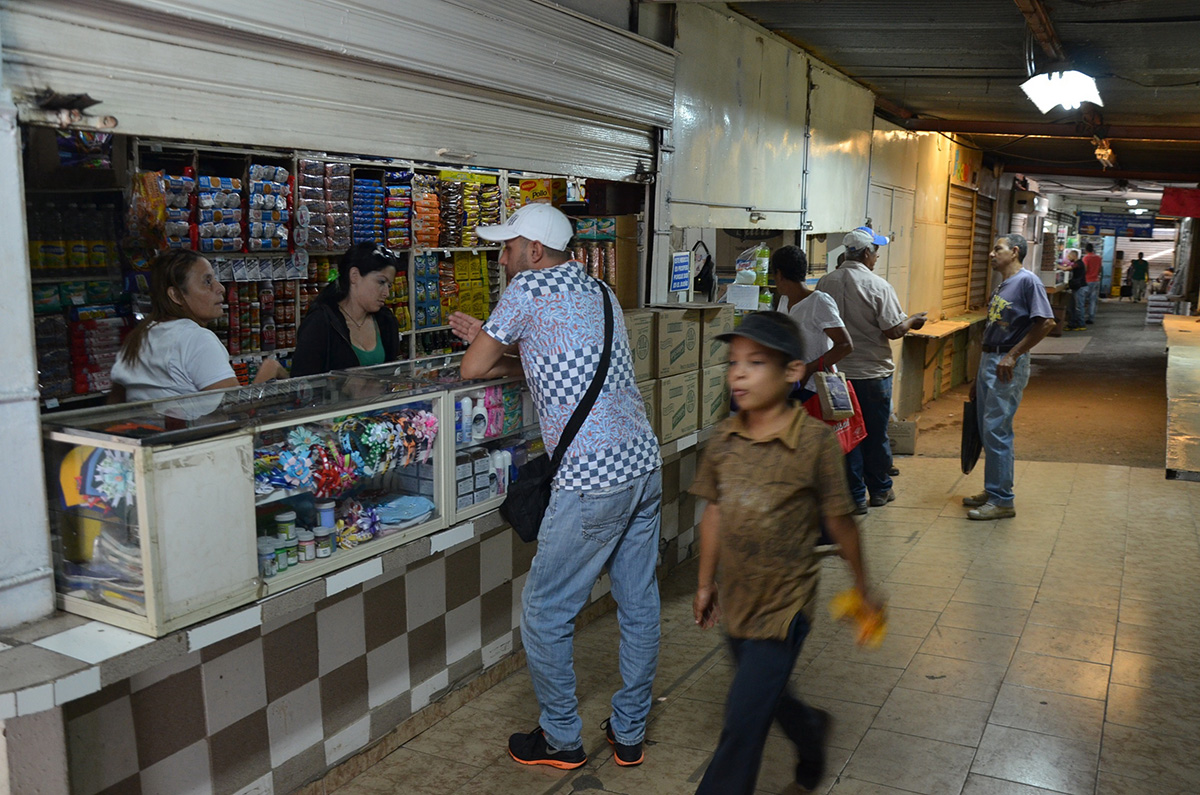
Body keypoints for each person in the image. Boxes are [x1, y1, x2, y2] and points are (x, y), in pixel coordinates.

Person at [448, 203, 662, 770]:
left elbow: (471, 369)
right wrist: (507, 354)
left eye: (508, 246)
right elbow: (564, 360)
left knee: (545, 612)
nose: (502, 256)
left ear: (534, 252)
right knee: (638, 603)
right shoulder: (601, 293)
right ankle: (630, 731)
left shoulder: (525, 290)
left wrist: (490, 344)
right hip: (643, 463)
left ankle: (562, 738)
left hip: (591, 478)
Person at [690, 311, 874, 795]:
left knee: (742, 723)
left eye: (756, 362)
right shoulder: (725, 439)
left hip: (786, 606)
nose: (739, 373)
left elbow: (840, 521)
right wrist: (706, 583)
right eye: (733, 363)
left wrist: (864, 588)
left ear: (793, 372)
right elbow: (714, 513)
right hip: (738, 599)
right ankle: (809, 729)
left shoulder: (814, 442)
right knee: (766, 697)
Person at [816, 227, 927, 514]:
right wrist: (913, 320)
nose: (877, 257)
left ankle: (853, 496)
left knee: (847, 435)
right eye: (875, 251)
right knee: (875, 435)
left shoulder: (825, 283)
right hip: (872, 375)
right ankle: (878, 490)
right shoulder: (878, 286)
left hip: (837, 376)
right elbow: (893, 330)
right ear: (866, 253)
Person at [962, 234, 1055, 520]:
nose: (991, 254)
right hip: (991, 359)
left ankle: (1003, 500)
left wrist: (1013, 355)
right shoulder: (1004, 284)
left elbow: (1046, 322)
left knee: (997, 429)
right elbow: (991, 331)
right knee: (987, 428)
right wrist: (979, 376)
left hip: (1006, 363)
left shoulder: (1028, 282)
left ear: (1014, 252)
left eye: (997, 249)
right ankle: (994, 489)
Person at [110, 250, 284, 402]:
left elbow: (116, 404)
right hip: (194, 438)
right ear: (176, 295)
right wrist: (269, 371)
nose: (220, 288)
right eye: (207, 281)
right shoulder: (196, 338)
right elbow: (236, 412)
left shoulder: (140, 335)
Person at [291, 243, 402, 376]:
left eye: (389, 285)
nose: (386, 293)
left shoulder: (386, 321)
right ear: (354, 275)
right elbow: (303, 384)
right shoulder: (322, 322)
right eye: (381, 282)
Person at [769, 245, 853, 400]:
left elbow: (845, 345)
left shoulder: (819, 301)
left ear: (779, 274)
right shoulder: (784, 300)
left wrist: (809, 369)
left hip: (815, 389)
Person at [1056, 249, 1087, 331]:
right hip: (1075, 287)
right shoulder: (1077, 263)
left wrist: (1056, 265)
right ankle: (1072, 324)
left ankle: (1081, 324)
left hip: (1080, 287)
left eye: (1069, 256)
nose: (1068, 258)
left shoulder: (1079, 264)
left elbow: (1066, 269)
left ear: (1074, 256)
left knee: (1079, 307)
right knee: (1072, 307)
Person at [1081, 242, 1103, 324]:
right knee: (1093, 300)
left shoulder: (1086, 258)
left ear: (1086, 250)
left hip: (1087, 281)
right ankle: (1091, 317)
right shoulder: (1098, 258)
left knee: (1083, 300)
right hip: (1096, 281)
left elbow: (1085, 269)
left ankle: (1082, 318)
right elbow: (1100, 269)